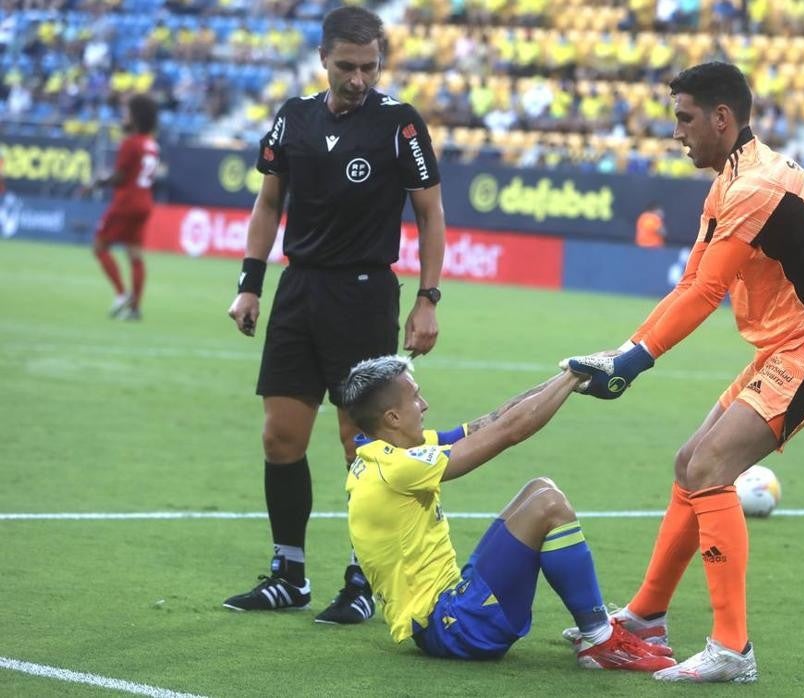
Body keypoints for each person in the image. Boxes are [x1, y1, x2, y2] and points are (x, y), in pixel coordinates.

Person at [561, 62, 804, 683]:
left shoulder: (755, 187)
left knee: (709, 467)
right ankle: (646, 620)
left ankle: (732, 649)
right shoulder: (729, 182)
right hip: (787, 344)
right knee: (691, 462)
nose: (676, 132)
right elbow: (690, 283)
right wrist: (624, 352)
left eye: (684, 118)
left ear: (722, 119)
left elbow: (707, 292)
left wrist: (629, 364)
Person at [222, 6, 447, 625]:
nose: (358, 78)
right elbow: (269, 202)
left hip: (365, 293)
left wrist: (428, 298)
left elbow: (430, 214)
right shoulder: (293, 116)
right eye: (346, 67)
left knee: (361, 442)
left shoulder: (399, 123)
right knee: (281, 436)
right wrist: (250, 285)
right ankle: (288, 574)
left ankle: (361, 580)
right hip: (299, 291)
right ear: (323, 59)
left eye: (369, 66)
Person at [340, 355, 676, 671]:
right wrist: (576, 374)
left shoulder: (383, 454)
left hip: (450, 611)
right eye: (415, 397)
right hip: (454, 629)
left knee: (540, 489)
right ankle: (602, 642)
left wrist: (567, 379)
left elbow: (491, 421)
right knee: (548, 505)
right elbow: (507, 433)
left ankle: (596, 629)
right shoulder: (397, 468)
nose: (424, 404)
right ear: (392, 418)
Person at [92, 93, 160, 321]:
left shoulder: (130, 143)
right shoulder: (151, 144)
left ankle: (122, 295)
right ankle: (135, 308)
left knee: (100, 246)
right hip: (144, 203)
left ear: (135, 116)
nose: (124, 116)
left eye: (127, 112)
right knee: (135, 255)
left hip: (126, 203)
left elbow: (120, 177)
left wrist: (98, 182)